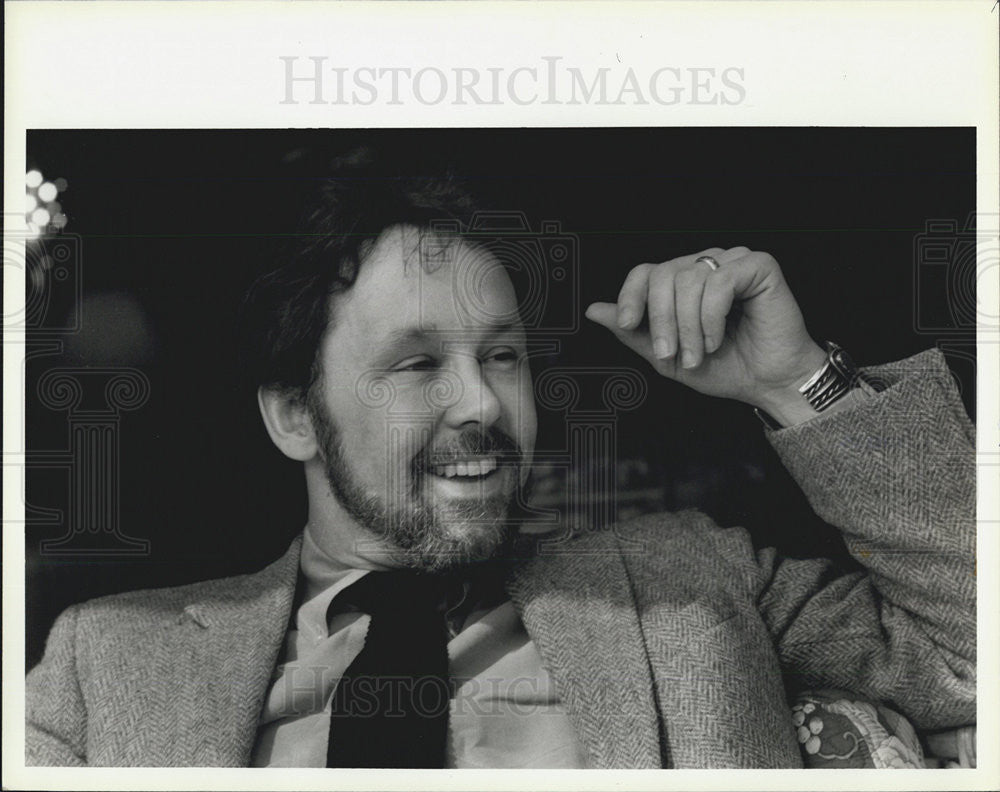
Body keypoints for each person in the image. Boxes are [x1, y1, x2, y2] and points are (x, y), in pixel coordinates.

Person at [25, 169, 975, 769]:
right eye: (417, 363)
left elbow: (972, 657)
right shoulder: (104, 663)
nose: (483, 404)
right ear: (292, 416)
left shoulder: (697, 584)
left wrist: (797, 379)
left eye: (504, 357)